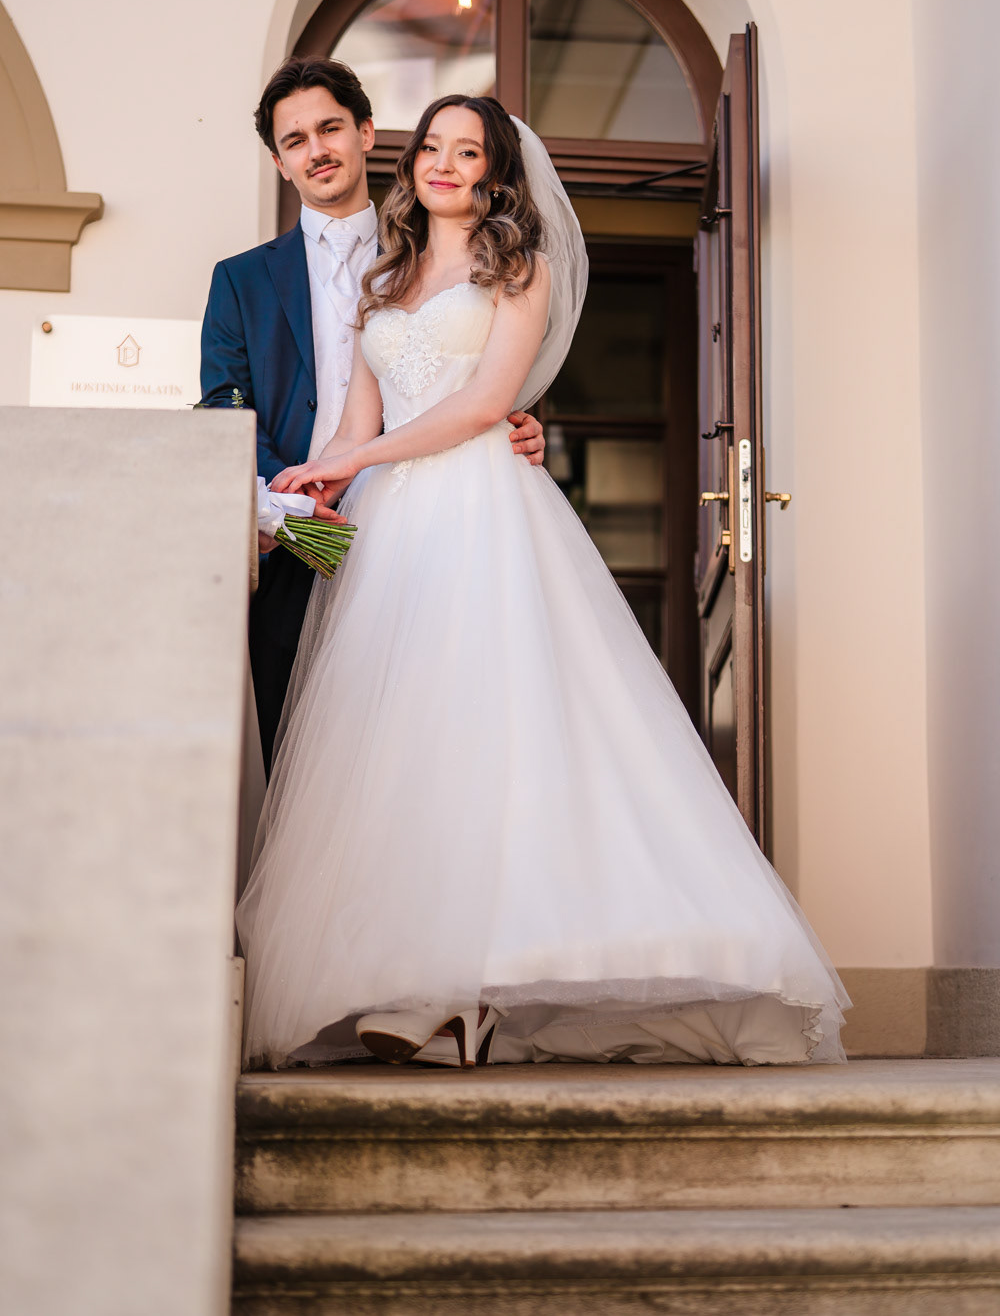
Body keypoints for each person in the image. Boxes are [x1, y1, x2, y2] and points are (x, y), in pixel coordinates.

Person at [235, 94, 849, 1070]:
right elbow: (355, 419)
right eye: (432, 147)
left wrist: (361, 457)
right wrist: (319, 478)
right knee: (402, 748)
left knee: (493, 734)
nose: (443, 163)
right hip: (390, 537)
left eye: (467, 151)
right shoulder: (385, 278)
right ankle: (421, 987)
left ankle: (477, 989)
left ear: (495, 172)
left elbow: (486, 403)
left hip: (484, 513)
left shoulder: (520, 267)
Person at [199, 59, 546, 772]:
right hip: (301, 533)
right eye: (295, 140)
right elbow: (223, 410)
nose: (316, 150)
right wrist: (288, 505)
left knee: (455, 729)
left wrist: (519, 423)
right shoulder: (240, 280)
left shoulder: (440, 244)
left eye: (330, 128)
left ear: (366, 134)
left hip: (443, 524)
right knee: (313, 769)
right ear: (279, 163)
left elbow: (485, 383)